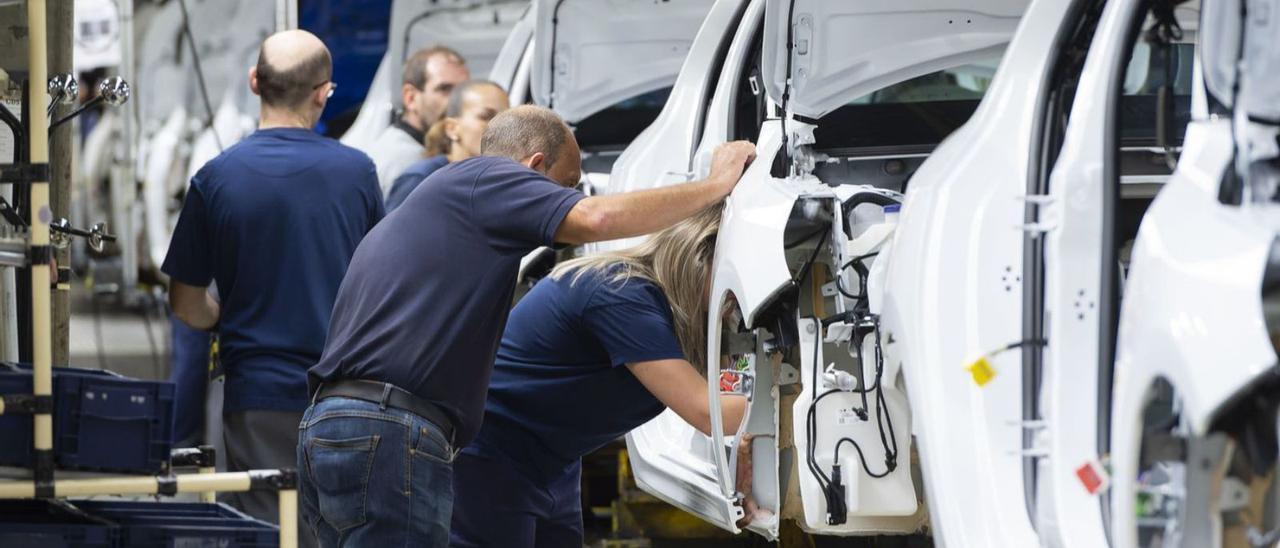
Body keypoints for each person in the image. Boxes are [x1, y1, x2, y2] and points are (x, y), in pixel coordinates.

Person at [299, 105, 756, 546]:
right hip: (391, 428)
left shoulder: (458, 209)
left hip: (355, 425)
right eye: (569, 185)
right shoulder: (486, 180)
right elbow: (596, 219)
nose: (572, 199)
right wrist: (715, 186)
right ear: (534, 167)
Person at [162, 30, 383, 541]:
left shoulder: (215, 179)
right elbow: (383, 280)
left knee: (266, 530)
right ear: (324, 92)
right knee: (341, 527)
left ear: (254, 81)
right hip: (345, 395)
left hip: (256, 397)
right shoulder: (357, 173)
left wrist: (219, 313)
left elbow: (185, 301)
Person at [450, 204, 748, 547]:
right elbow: (707, 411)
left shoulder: (666, 318)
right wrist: (789, 407)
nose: (732, 306)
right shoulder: (623, 294)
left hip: (551, 460)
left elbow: (725, 399)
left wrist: (744, 445)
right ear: (699, 256)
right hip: (491, 453)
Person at [385, 80, 508, 212]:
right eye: (486, 117)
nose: (501, 126)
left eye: (506, 118)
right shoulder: (420, 180)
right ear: (452, 128)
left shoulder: (507, 180)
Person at [365, 46, 470, 195]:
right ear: (411, 98)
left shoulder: (418, 155)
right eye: (445, 89)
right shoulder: (405, 164)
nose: (458, 100)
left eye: (463, 90)